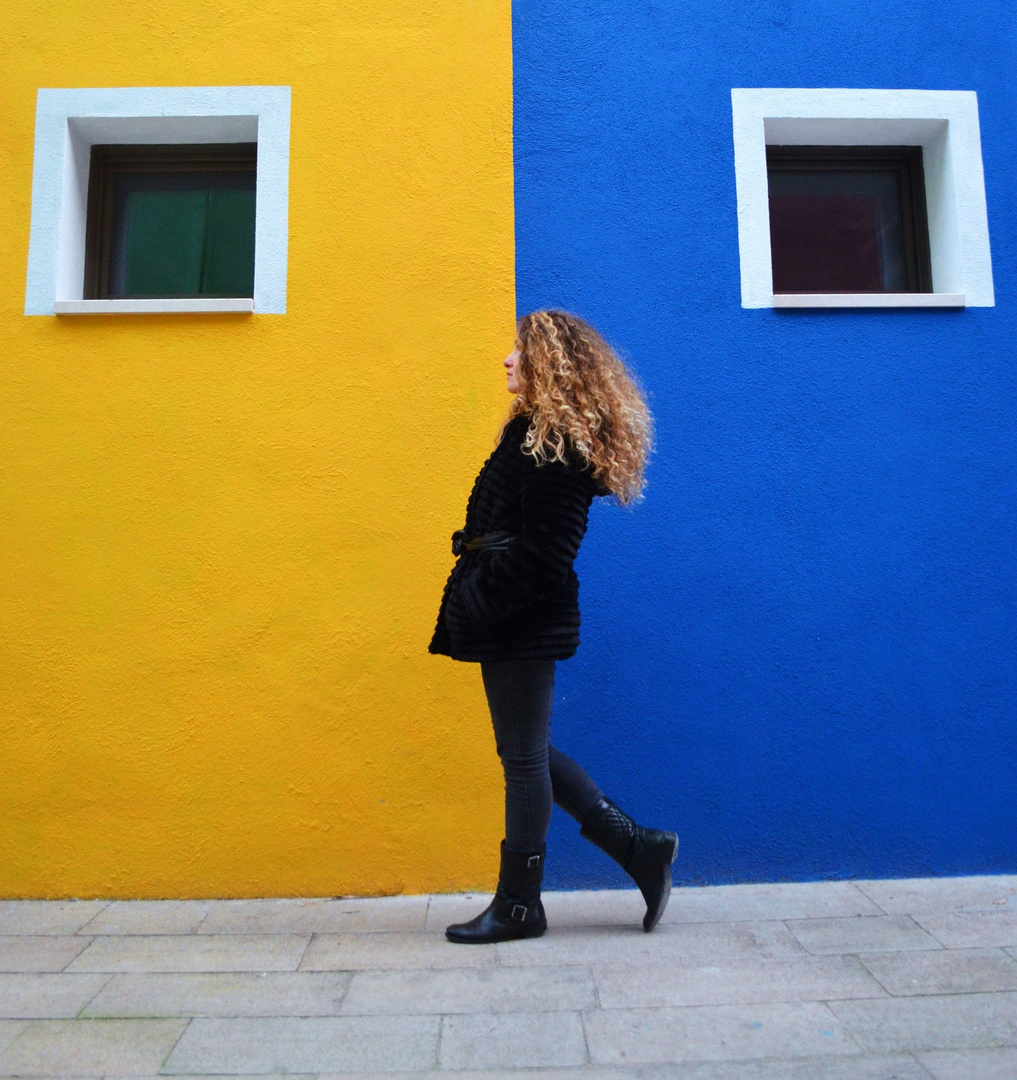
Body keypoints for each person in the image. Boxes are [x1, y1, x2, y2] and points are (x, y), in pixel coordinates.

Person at [430, 309, 678, 944]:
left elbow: (547, 553)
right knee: (526, 752)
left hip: (520, 618)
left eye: (519, 352)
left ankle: (519, 904)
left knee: (522, 759)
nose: (507, 361)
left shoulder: (554, 445)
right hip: (512, 616)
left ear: (548, 363)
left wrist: (481, 599)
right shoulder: (534, 434)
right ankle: (640, 849)